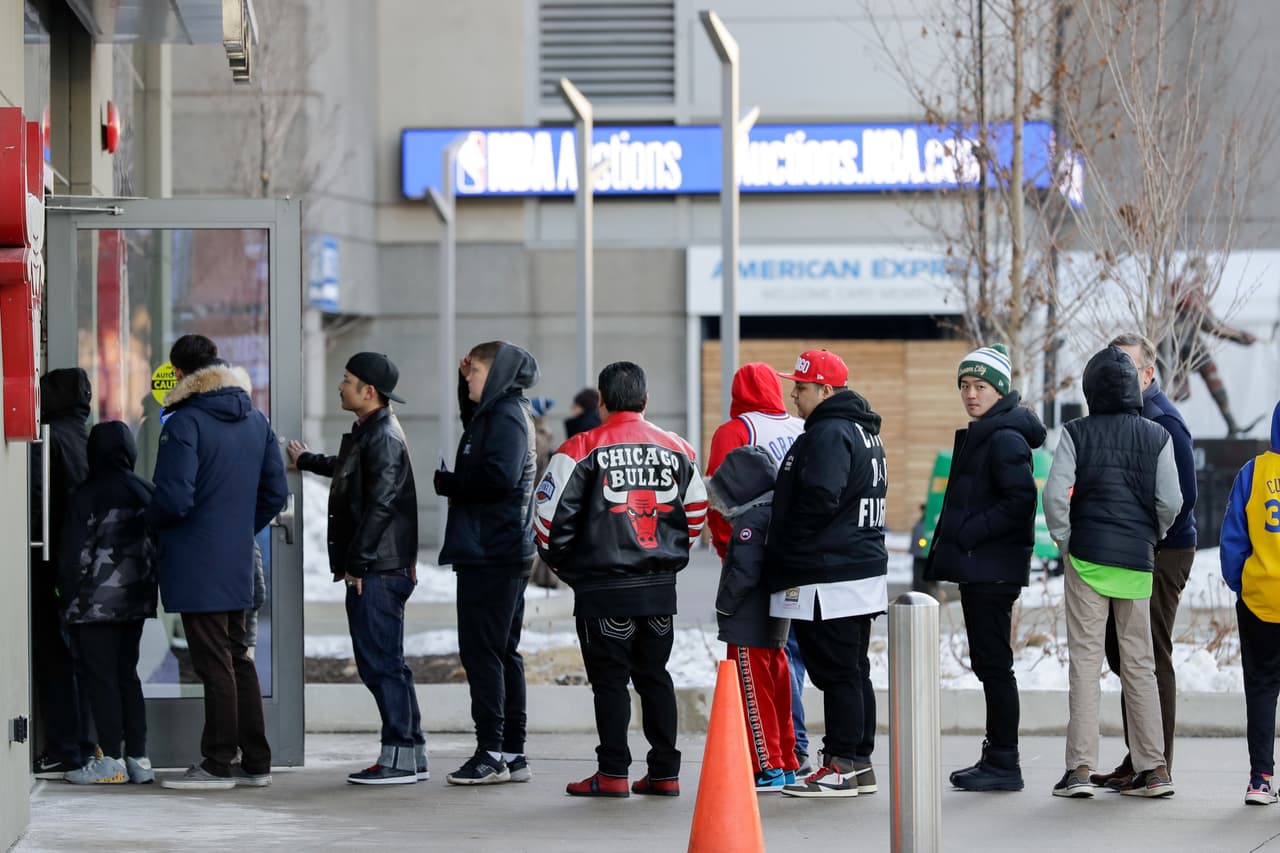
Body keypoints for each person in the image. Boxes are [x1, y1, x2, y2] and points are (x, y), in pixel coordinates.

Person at [534, 361, 707, 798]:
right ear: (645, 401)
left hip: (601, 591)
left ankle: (612, 773)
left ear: (603, 401)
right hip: (658, 591)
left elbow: (546, 520)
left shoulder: (578, 448)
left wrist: (574, 573)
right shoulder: (679, 449)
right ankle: (665, 773)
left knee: (609, 682)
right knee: (655, 677)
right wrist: (665, 562)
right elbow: (697, 513)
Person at [148, 334, 288, 791]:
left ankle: (218, 761)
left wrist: (152, 522)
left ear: (181, 373)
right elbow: (275, 492)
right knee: (236, 657)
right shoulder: (256, 419)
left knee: (213, 663)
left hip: (196, 559)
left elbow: (173, 497)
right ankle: (256, 761)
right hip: (236, 559)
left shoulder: (185, 422)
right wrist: (238, 529)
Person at [1043, 346, 1182, 799]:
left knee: (1085, 665)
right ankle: (1154, 768)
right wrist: (1151, 536)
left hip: (1086, 559)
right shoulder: (1157, 436)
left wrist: (1066, 542)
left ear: (1090, 389)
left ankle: (1080, 769)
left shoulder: (1076, 433)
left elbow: (1054, 497)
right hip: (1137, 563)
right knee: (1140, 666)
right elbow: (1171, 503)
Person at [290, 352, 424, 785]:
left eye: (347, 380)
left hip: (379, 569)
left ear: (369, 391)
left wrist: (358, 563)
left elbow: (382, 502)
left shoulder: (383, 435)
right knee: (387, 662)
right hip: (381, 566)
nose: (340, 385)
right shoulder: (371, 431)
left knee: (380, 663)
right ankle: (410, 753)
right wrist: (307, 460)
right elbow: (349, 472)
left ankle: (400, 756)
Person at [765, 349, 888, 799]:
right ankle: (858, 763)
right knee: (854, 670)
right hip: (856, 571)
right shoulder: (861, 430)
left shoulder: (830, 433)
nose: (793, 394)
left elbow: (819, 500)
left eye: (801, 387)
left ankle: (839, 766)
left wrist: (786, 549)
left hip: (828, 574)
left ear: (826, 390)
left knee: (837, 673)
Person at [925, 344, 1045, 792]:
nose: (970, 395)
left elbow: (1020, 502)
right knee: (990, 664)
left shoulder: (1005, 437)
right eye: (965, 386)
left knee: (995, 666)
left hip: (992, 568)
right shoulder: (991, 432)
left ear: (1000, 390)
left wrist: (970, 532)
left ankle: (1003, 761)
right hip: (985, 568)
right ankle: (997, 757)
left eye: (980, 386)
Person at [1093, 334, 1199, 789]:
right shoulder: (1128, 415)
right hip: (1136, 550)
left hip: (1165, 551)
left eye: (1128, 367)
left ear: (1149, 373)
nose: (1118, 376)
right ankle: (1139, 754)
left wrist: (1148, 540)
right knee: (1124, 652)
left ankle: (1157, 764)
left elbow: (1185, 498)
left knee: (1150, 656)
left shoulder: (1164, 421)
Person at [434, 341, 540, 785]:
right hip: (498, 549)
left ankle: (492, 751)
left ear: (495, 374)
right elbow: (474, 428)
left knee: (484, 653)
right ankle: (511, 751)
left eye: (475, 372)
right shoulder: (498, 412)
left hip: (493, 552)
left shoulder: (506, 417)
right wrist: (464, 384)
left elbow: (499, 476)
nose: (470, 379)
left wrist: (451, 483)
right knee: (500, 652)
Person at [704, 362, 810, 773]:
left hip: (751, 560)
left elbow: (719, 499)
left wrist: (728, 553)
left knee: (757, 665)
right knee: (784, 660)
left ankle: (773, 758)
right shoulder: (799, 428)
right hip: (796, 560)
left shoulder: (736, 431)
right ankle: (790, 750)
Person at [56, 421, 157, 785]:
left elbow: (73, 557)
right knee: (127, 676)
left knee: (101, 679)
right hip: (136, 601)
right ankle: (139, 759)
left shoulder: (87, 494)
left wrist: (61, 595)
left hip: (93, 605)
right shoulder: (145, 490)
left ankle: (110, 759)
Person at [708, 445, 796, 792]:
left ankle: (767, 765)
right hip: (773, 624)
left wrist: (724, 607)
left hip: (747, 627)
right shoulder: (776, 515)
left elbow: (744, 571)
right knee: (778, 695)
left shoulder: (750, 523)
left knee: (753, 697)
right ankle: (786, 762)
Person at [30, 368, 96, 779]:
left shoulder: (46, 439)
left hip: (50, 562)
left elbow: (37, 505)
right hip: (85, 566)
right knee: (78, 657)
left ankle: (64, 748)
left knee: (54, 656)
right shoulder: (86, 439)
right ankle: (83, 745)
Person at [1220, 400, 1280, 805]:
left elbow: (1233, 540)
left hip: (1261, 598)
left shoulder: (1253, 472)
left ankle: (1260, 778)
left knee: (1261, 688)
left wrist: (1241, 584)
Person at [1163, 257, 1260, 437]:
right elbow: (1209, 324)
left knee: (1212, 375)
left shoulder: (1195, 291)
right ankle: (1167, 428)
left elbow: (1210, 322)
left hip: (1190, 341)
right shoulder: (1182, 288)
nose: (1204, 278)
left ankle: (1231, 423)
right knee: (1179, 391)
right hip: (1176, 344)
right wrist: (1239, 336)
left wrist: (1239, 336)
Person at [528, 396, 560, 590]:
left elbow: (536, 470)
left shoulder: (536, 437)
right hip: (543, 495)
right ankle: (545, 579)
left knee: (536, 539)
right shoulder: (544, 434)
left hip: (535, 494)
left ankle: (534, 580)